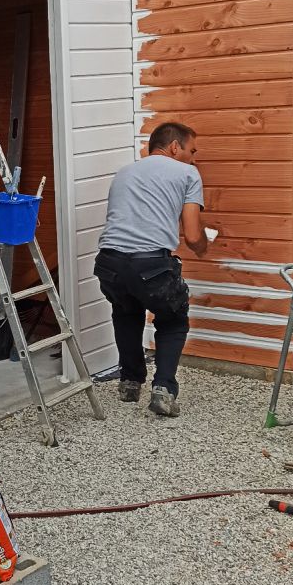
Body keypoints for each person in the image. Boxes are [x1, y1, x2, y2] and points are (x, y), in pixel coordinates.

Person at [94, 121, 208, 417]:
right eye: (192, 150)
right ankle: (163, 390)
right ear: (175, 147)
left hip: (109, 262)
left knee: (126, 312)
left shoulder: (124, 172)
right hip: (150, 263)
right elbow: (192, 235)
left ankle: (130, 383)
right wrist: (204, 246)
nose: (193, 157)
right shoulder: (188, 173)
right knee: (173, 320)